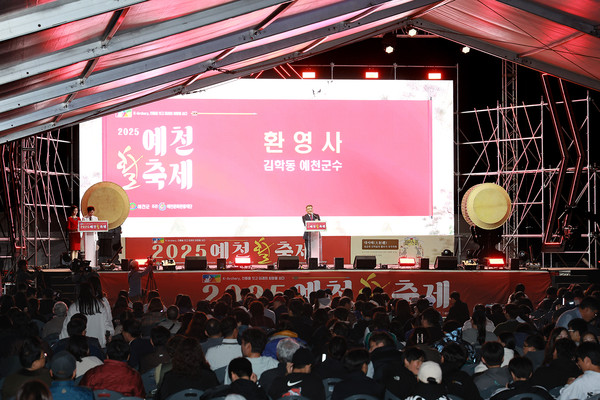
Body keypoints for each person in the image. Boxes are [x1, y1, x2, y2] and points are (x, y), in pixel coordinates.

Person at [154, 337, 218, 400]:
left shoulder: (169, 377)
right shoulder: (210, 376)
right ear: (200, 354)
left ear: (178, 355)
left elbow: (160, 397)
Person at [79, 338, 145, 398]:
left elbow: (81, 394)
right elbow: (139, 397)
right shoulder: (134, 376)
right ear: (128, 357)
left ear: (107, 356)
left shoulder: (92, 373)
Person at [59, 282, 114, 348]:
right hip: (99, 344)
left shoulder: (74, 307)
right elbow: (107, 324)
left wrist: (63, 341)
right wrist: (109, 335)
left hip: (80, 346)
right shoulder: (100, 305)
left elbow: (67, 327)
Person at [203, 357, 270, 400]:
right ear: (251, 374)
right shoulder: (261, 393)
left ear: (233, 375)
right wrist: (253, 384)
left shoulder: (222, 392)